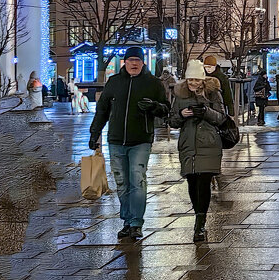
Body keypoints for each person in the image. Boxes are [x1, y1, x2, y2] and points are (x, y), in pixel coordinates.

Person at [88, 47, 170, 241]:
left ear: (143, 62)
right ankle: (127, 220)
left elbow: (166, 109)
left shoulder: (153, 84)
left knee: (137, 180)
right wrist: (94, 133)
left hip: (141, 140)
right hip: (116, 140)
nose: (134, 63)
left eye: (138, 60)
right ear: (125, 62)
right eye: (131, 60)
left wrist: (154, 107)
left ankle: (136, 223)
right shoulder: (114, 82)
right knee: (122, 183)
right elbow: (102, 110)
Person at [169, 60, 227, 242]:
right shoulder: (180, 95)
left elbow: (221, 118)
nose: (193, 83)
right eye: (190, 80)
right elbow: (172, 121)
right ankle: (198, 215)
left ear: (202, 79)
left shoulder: (213, 93)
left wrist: (205, 112)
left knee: (203, 181)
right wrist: (181, 115)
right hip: (188, 144)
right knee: (192, 183)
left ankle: (200, 223)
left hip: (209, 143)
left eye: (196, 80)